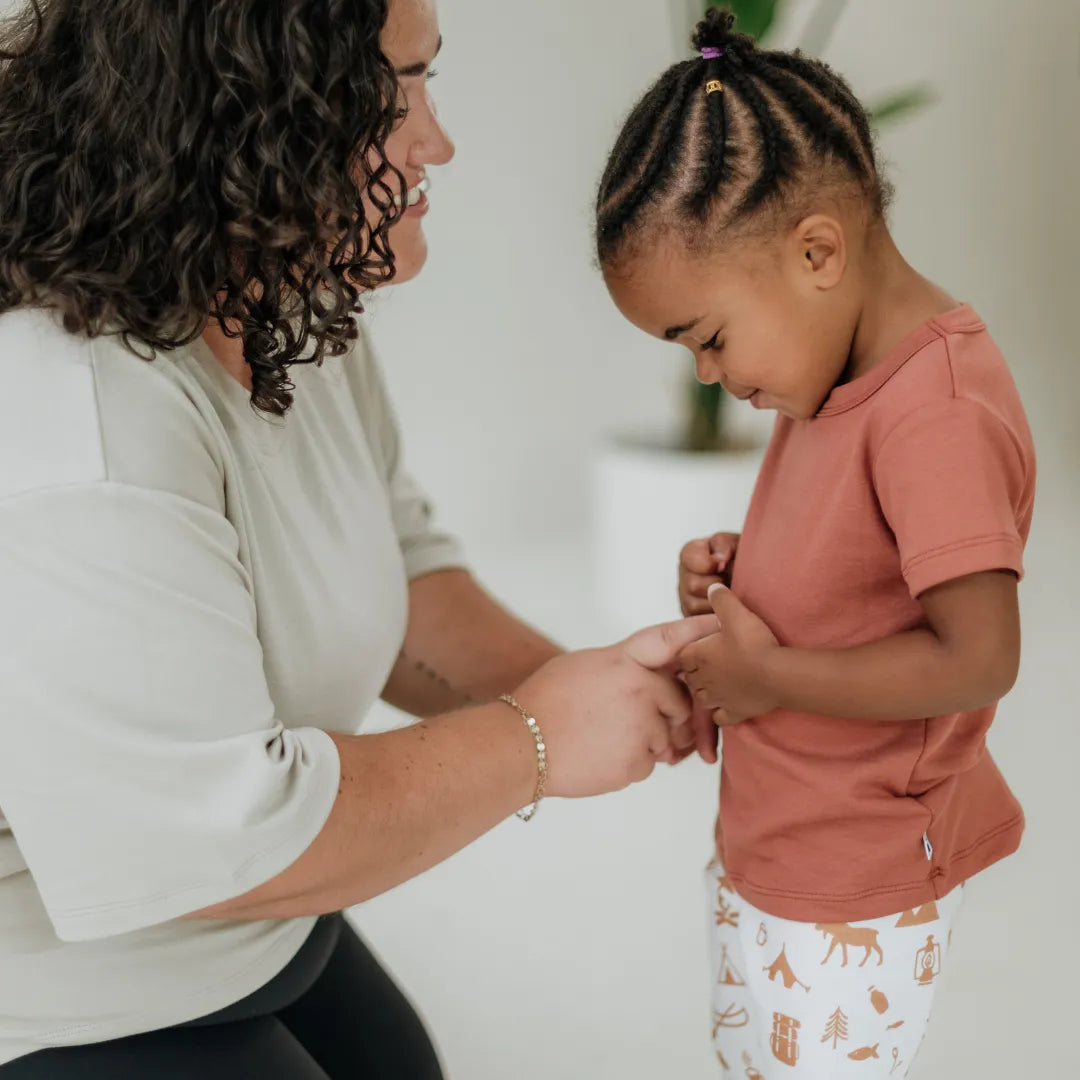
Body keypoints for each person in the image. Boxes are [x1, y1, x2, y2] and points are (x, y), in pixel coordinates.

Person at [0, 1, 719, 1076]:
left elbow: (393, 568)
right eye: (396, 95)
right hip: (65, 978)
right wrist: (537, 738)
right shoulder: (76, 422)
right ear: (248, 120)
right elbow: (211, 848)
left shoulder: (281, 299)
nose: (438, 139)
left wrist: (623, 681)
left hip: (244, 917)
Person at [596, 9, 1035, 1078]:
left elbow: (980, 656)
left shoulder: (930, 413)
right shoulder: (829, 375)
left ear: (818, 251)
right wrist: (743, 571)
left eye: (708, 337)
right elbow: (856, 568)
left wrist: (768, 669)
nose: (708, 376)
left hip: (854, 883)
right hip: (782, 849)